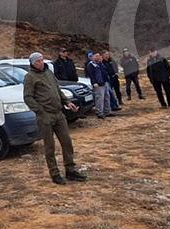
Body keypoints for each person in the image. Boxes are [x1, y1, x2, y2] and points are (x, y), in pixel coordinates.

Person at [23, 52, 87, 185]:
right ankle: (55, 173)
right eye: (38, 61)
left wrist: (67, 102)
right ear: (33, 63)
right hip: (45, 116)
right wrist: (40, 111)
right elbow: (28, 97)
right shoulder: (30, 77)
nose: (41, 63)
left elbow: (58, 90)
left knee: (67, 142)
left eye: (41, 60)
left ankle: (70, 170)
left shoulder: (49, 73)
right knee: (49, 146)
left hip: (58, 113)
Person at [86, 52, 112, 118]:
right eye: (96, 56)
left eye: (98, 56)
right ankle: (99, 113)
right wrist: (94, 82)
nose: (97, 57)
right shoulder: (91, 65)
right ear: (93, 57)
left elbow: (105, 72)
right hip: (98, 84)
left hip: (105, 82)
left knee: (107, 97)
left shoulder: (100, 63)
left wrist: (107, 80)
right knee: (99, 98)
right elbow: (91, 75)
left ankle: (107, 112)